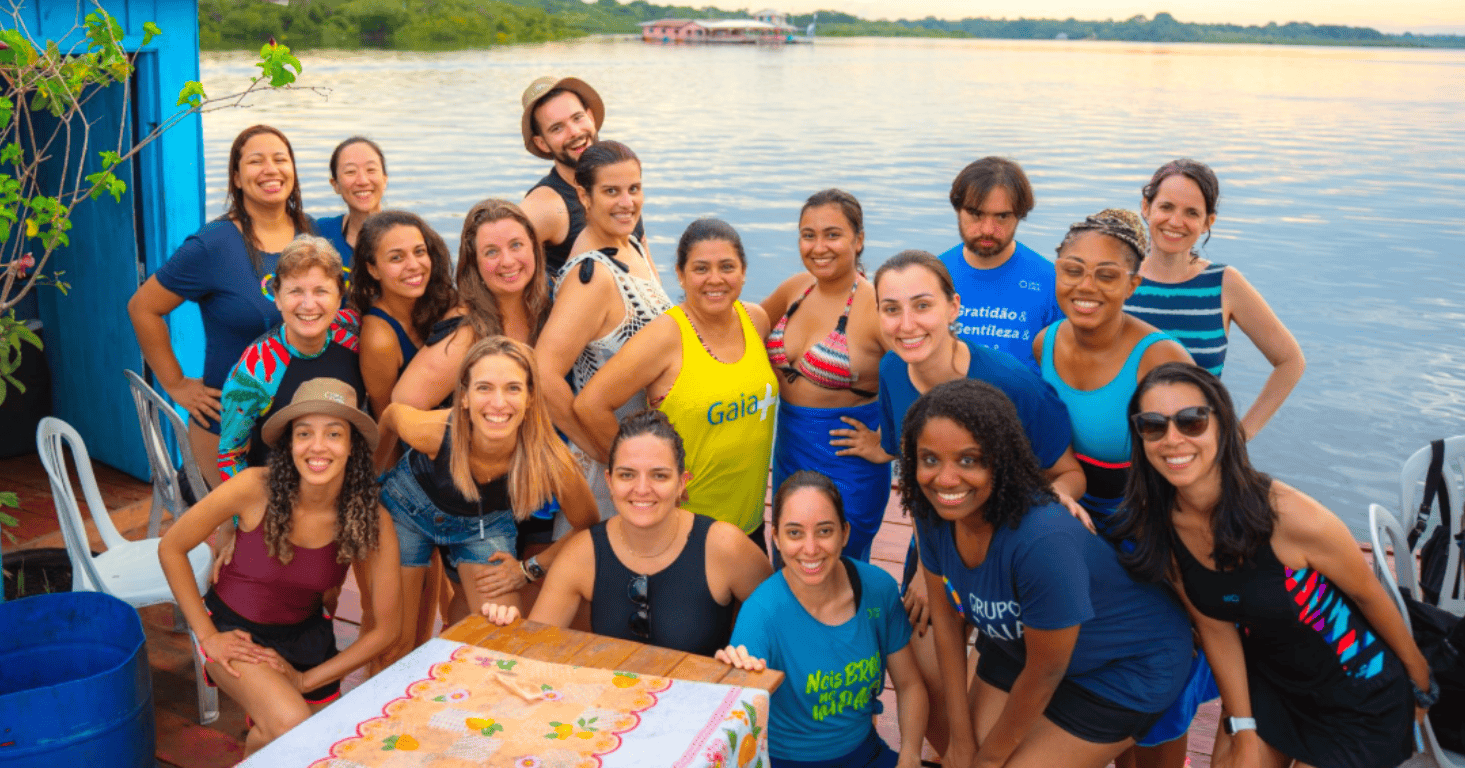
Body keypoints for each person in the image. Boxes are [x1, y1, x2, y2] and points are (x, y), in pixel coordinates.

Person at [1117, 362, 1430, 768]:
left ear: (1222, 426)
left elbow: (1368, 595)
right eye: (1153, 425)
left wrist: (1419, 682)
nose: (1172, 439)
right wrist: (1244, 727)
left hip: (1357, 691)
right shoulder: (1160, 522)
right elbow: (1215, 628)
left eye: (1192, 421)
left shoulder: (1291, 517)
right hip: (1271, 684)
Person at [837, 248, 1085, 756]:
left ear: (953, 307)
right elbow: (910, 458)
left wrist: (1052, 505)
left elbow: (1069, 472)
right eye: (891, 309)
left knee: (1006, 713)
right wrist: (924, 571)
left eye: (922, 305)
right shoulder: (892, 369)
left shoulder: (1010, 384)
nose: (907, 324)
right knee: (920, 665)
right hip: (939, 544)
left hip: (1012, 551)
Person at [906, 378, 1192, 768]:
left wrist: (987, 761)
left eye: (968, 460)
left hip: (1123, 667)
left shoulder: (1042, 539)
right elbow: (945, 619)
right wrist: (959, 738)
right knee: (963, 753)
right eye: (930, 459)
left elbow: (1046, 671)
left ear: (1000, 460)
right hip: (1021, 645)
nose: (945, 479)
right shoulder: (933, 510)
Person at [1032, 208, 1199, 766]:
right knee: (1089, 669)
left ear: (1133, 284)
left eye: (1107, 275)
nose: (1086, 286)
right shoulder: (1044, 344)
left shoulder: (1160, 358)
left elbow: (1202, 465)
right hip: (1076, 521)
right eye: (1073, 270)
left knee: (1161, 692)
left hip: (1154, 528)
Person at [158, 378, 401, 756]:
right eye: (304, 433)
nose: (317, 446)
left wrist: (305, 680)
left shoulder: (370, 517)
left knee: (317, 748)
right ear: (289, 444)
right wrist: (207, 635)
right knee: (291, 725)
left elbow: (387, 630)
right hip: (233, 630)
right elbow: (171, 548)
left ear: (352, 445)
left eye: (333, 433)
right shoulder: (253, 487)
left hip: (307, 638)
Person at [375, 336, 597, 665]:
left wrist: (529, 569)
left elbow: (587, 525)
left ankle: (452, 670)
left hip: (483, 524)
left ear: (530, 397)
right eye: (484, 388)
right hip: (408, 508)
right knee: (395, 642)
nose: (498, 402)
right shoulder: (433, 431)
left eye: (512, 388)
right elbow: (392, 416)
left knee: (498, 639)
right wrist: (372, 480)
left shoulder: (550, 459)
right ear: (464, 397)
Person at [482, 410, 772, 655]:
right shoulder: (583, 553)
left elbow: (783, 626)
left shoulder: (724, 546)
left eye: (659, 475)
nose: (642, 489)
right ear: (609, 482)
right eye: (627, 475)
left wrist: (745, 657)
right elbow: (532, 653)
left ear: (682, 483)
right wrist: (509, 630)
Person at [128, 124, 317, 489]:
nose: (271, 169)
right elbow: (143, 308)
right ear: (237, 177)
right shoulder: (213, 245)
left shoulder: (313, 235)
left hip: (304, 422)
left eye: (280, 159)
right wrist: (176, 383)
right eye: (256, 161)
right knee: (246, 523)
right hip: (232, 429)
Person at [574, 219, 778, 546]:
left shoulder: (755, 320)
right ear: (681, 275)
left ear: (743, 272)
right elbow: (590, 405)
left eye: (727, 267)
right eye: (701, 268)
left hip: (750, 523)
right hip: (685, 530)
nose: (715, 279)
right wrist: (643, 478)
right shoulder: (666, 336)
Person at [716, 471, 927, 768]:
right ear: (776, 538)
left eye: (824, 531)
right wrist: (735, 673)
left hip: (866, 753)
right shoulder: (761, 613)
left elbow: (909, 685)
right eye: (795, 533)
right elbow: (736, 717)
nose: (811, 548)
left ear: (845, 533)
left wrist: (910, 756)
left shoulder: (877, 589)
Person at [536, 141, 673, 519]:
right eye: (611, 191)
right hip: (613, 473)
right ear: (585, 196)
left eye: (634, 189)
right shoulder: (592, 276)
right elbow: (543, 374)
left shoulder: (631, 246)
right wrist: (605, 451)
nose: (627, 202)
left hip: (644, 459)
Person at [1124, 159, 1304, 440]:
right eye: (1166, 207)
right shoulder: (1119, 279)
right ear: (1146, 208)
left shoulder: (1224, 283)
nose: (1175, 222)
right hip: (1119, 452)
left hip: (1195, 451)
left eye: (1192, 212)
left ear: (1208, 222)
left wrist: (1239, 436)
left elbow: (1290, 361)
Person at [759, 190, 889, 562]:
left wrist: (887, 444)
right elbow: (744, 330)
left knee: (835, 567)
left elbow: (925, 380)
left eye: (832, 235)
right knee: (789, 561)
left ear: (858, 240)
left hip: (847, 464)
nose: (819, 247)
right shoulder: (795, 288)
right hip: (790, 457)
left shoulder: (876, 306)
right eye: (808, 235)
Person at [217, 236, 362, 481]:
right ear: (277, 297)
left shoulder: (354, 333)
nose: (308, 305)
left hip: (347, 482)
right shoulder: (255, 371)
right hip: (281, 488)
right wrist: (255, 504)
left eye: (321, 291)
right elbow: (230, 456)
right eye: (295, 291)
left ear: (339, 297)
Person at [392, 199, 550, 410]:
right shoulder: (466, 333)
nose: (507, 261)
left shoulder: (553, 301)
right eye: (491, 252)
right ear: (475, 263)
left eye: (516, 245)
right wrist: (471, 422)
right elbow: (402, 406)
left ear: (534, 248)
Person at [938, 157, 1060, 372]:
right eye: (976, 214)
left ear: (1020, 215)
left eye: (1002, 216)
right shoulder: (934, 276)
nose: (987, 229)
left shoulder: (1052, 282)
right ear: (958, 210)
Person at [517, 76, 644, 277]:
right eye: (557, 128)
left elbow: (647, 265)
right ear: (542, 143)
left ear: (590, 117)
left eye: (577, 118)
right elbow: (489, 260)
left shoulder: (621, 187)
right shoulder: (548, 205)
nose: (574, 132)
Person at [348, 210, 458, 418]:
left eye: (419, 252)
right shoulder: (379, 338)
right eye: (396, 258)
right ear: (373, 269)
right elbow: (386, 422)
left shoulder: (442, 301)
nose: (414, 265)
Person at [314, 136, 387, 264]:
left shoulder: (407, 235)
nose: (363, 181)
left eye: (371, 170)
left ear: (384, 180)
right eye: (350, 172)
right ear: (335, 185)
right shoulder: (321, 233)